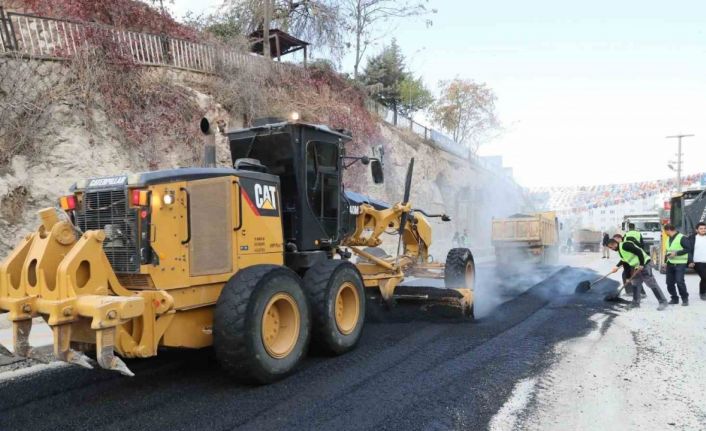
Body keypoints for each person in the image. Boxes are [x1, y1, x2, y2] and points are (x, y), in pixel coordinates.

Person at [607, 234, 668, 310]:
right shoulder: (620, 250)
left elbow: (639, 252)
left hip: (644, 264)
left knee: (651, 283)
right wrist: (628, 277)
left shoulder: (625, 245)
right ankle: (635, 303)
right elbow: (626, 263)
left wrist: (642, 264)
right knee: (635, 283)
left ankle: (663, 301)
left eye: (611, 247)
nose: (611, 249)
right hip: (636, 266)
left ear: (614, 244)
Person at [663, 224, 691, 306]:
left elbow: (688, 249)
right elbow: (667, 251)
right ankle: (674, 298)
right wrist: (665, 261)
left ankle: (685, 299)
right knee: (669, 283)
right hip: (670, 263)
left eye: (665, 231)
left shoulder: (682, 237)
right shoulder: (668, 238)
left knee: (679, 282)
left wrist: (676, 253)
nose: (665, 233)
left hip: (680, 263)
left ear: (668, 230)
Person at [687, 222, 706, 301]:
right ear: (696, 230)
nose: (703, 230)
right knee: (704, 277)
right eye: (701, 229)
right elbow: (688, 251)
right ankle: (702, 293)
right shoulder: (692, 238)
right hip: (697, 262)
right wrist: (690, 261)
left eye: (705, 228)